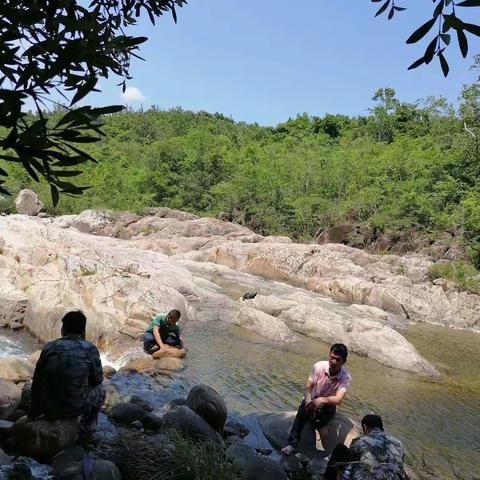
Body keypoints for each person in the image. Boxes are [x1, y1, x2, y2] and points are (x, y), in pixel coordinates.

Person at [29, 310, 105, 443]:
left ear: (63, 329)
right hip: (76, 408)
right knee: (101, 390)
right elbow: (97, 379)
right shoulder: (90, 349)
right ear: (82, 330)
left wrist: (33, 412)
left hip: (49, 409)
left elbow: (37, 380)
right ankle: (86, 432)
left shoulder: (49, 347)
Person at [281, 343, 351, 456]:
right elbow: (309, 387)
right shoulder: (318, 367)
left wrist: (322, 400)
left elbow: (338, 399)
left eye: (337, 360)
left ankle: (320, 424)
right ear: (329, 355)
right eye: (332, 357)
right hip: (313, 398)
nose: (333, 362)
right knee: (303, 409)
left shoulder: (345, 377)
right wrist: (308, 401)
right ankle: (291, 444)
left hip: (328, 404)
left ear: (344, 361)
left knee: (326, 410)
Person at [339, 414, 407, 480]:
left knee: (340, 450)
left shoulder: (360, 441)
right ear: (381, 427)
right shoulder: (398, 443)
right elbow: (400, 466)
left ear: (365, 427)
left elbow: (349, 465)